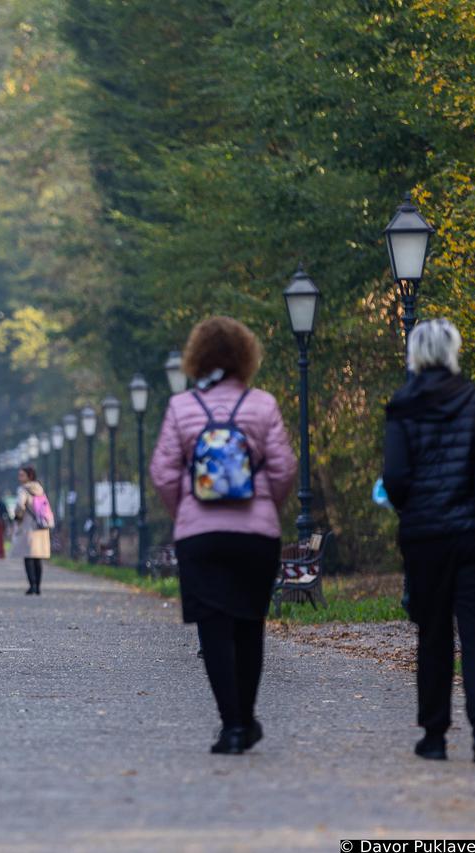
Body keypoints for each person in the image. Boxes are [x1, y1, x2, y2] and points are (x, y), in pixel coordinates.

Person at [149, 316, 296, 755]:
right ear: (246, 356)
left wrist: (187, 513)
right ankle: (247, 718)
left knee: (213, 628)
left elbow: (163, 472)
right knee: (250, 625)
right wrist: (267, 505)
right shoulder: (262, 405)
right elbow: (284, 467)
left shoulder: (183, 407)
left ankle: (232, 726)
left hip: (201, 536)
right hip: (255, 535)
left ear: (197, 357)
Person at [383, 319, 475, 764]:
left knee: (434, 632)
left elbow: (396, 479)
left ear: (416, 356)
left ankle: (435, 735)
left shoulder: (402, 407)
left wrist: (415, 505)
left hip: (426, 538)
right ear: (452, 353)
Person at [13, 466, 52, 595]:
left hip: (28, 526)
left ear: (29, 476)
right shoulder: (40, 489)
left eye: (22, 475)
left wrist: (17, 516)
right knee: (37, 557)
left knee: (28, 556)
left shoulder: (23, 490)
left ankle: (32, 585)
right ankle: (38, 586)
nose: (19, 478)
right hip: (41, 526)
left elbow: (20, 505)